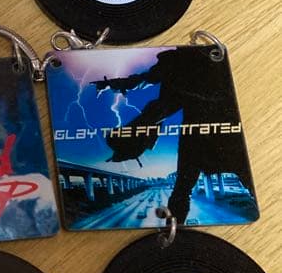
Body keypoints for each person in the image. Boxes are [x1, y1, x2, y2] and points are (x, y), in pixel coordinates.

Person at [94, 47, 256, 224]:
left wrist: (115, 85)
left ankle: (175, 227)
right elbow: (147, 82)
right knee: (186, 187)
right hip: (210, 131)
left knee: (184, 189)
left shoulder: (180, 63)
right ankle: (175, 228)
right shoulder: (189, 63)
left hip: (208, 132)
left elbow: (148, 84)